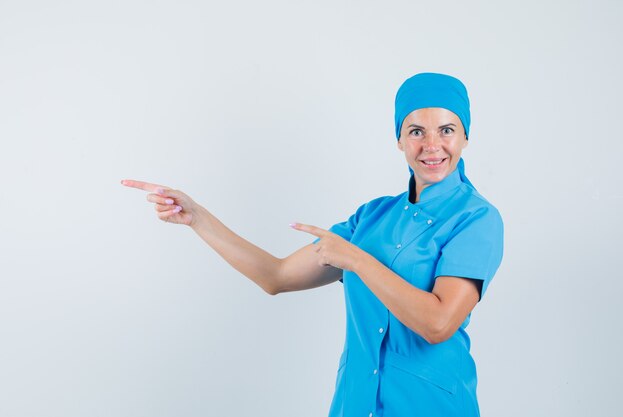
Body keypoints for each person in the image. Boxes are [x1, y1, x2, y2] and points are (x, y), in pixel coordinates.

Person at [121, 72, 504, 417]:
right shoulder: (372, 218)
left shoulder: (476, 220)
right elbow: (276, 276)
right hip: (355, 404)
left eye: (447, 130)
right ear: (400, 139)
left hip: (429, 408)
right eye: (416, 131)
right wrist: (198, 218)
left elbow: (438, 323)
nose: (432, 145)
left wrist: (358, 259)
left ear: (466, 136)